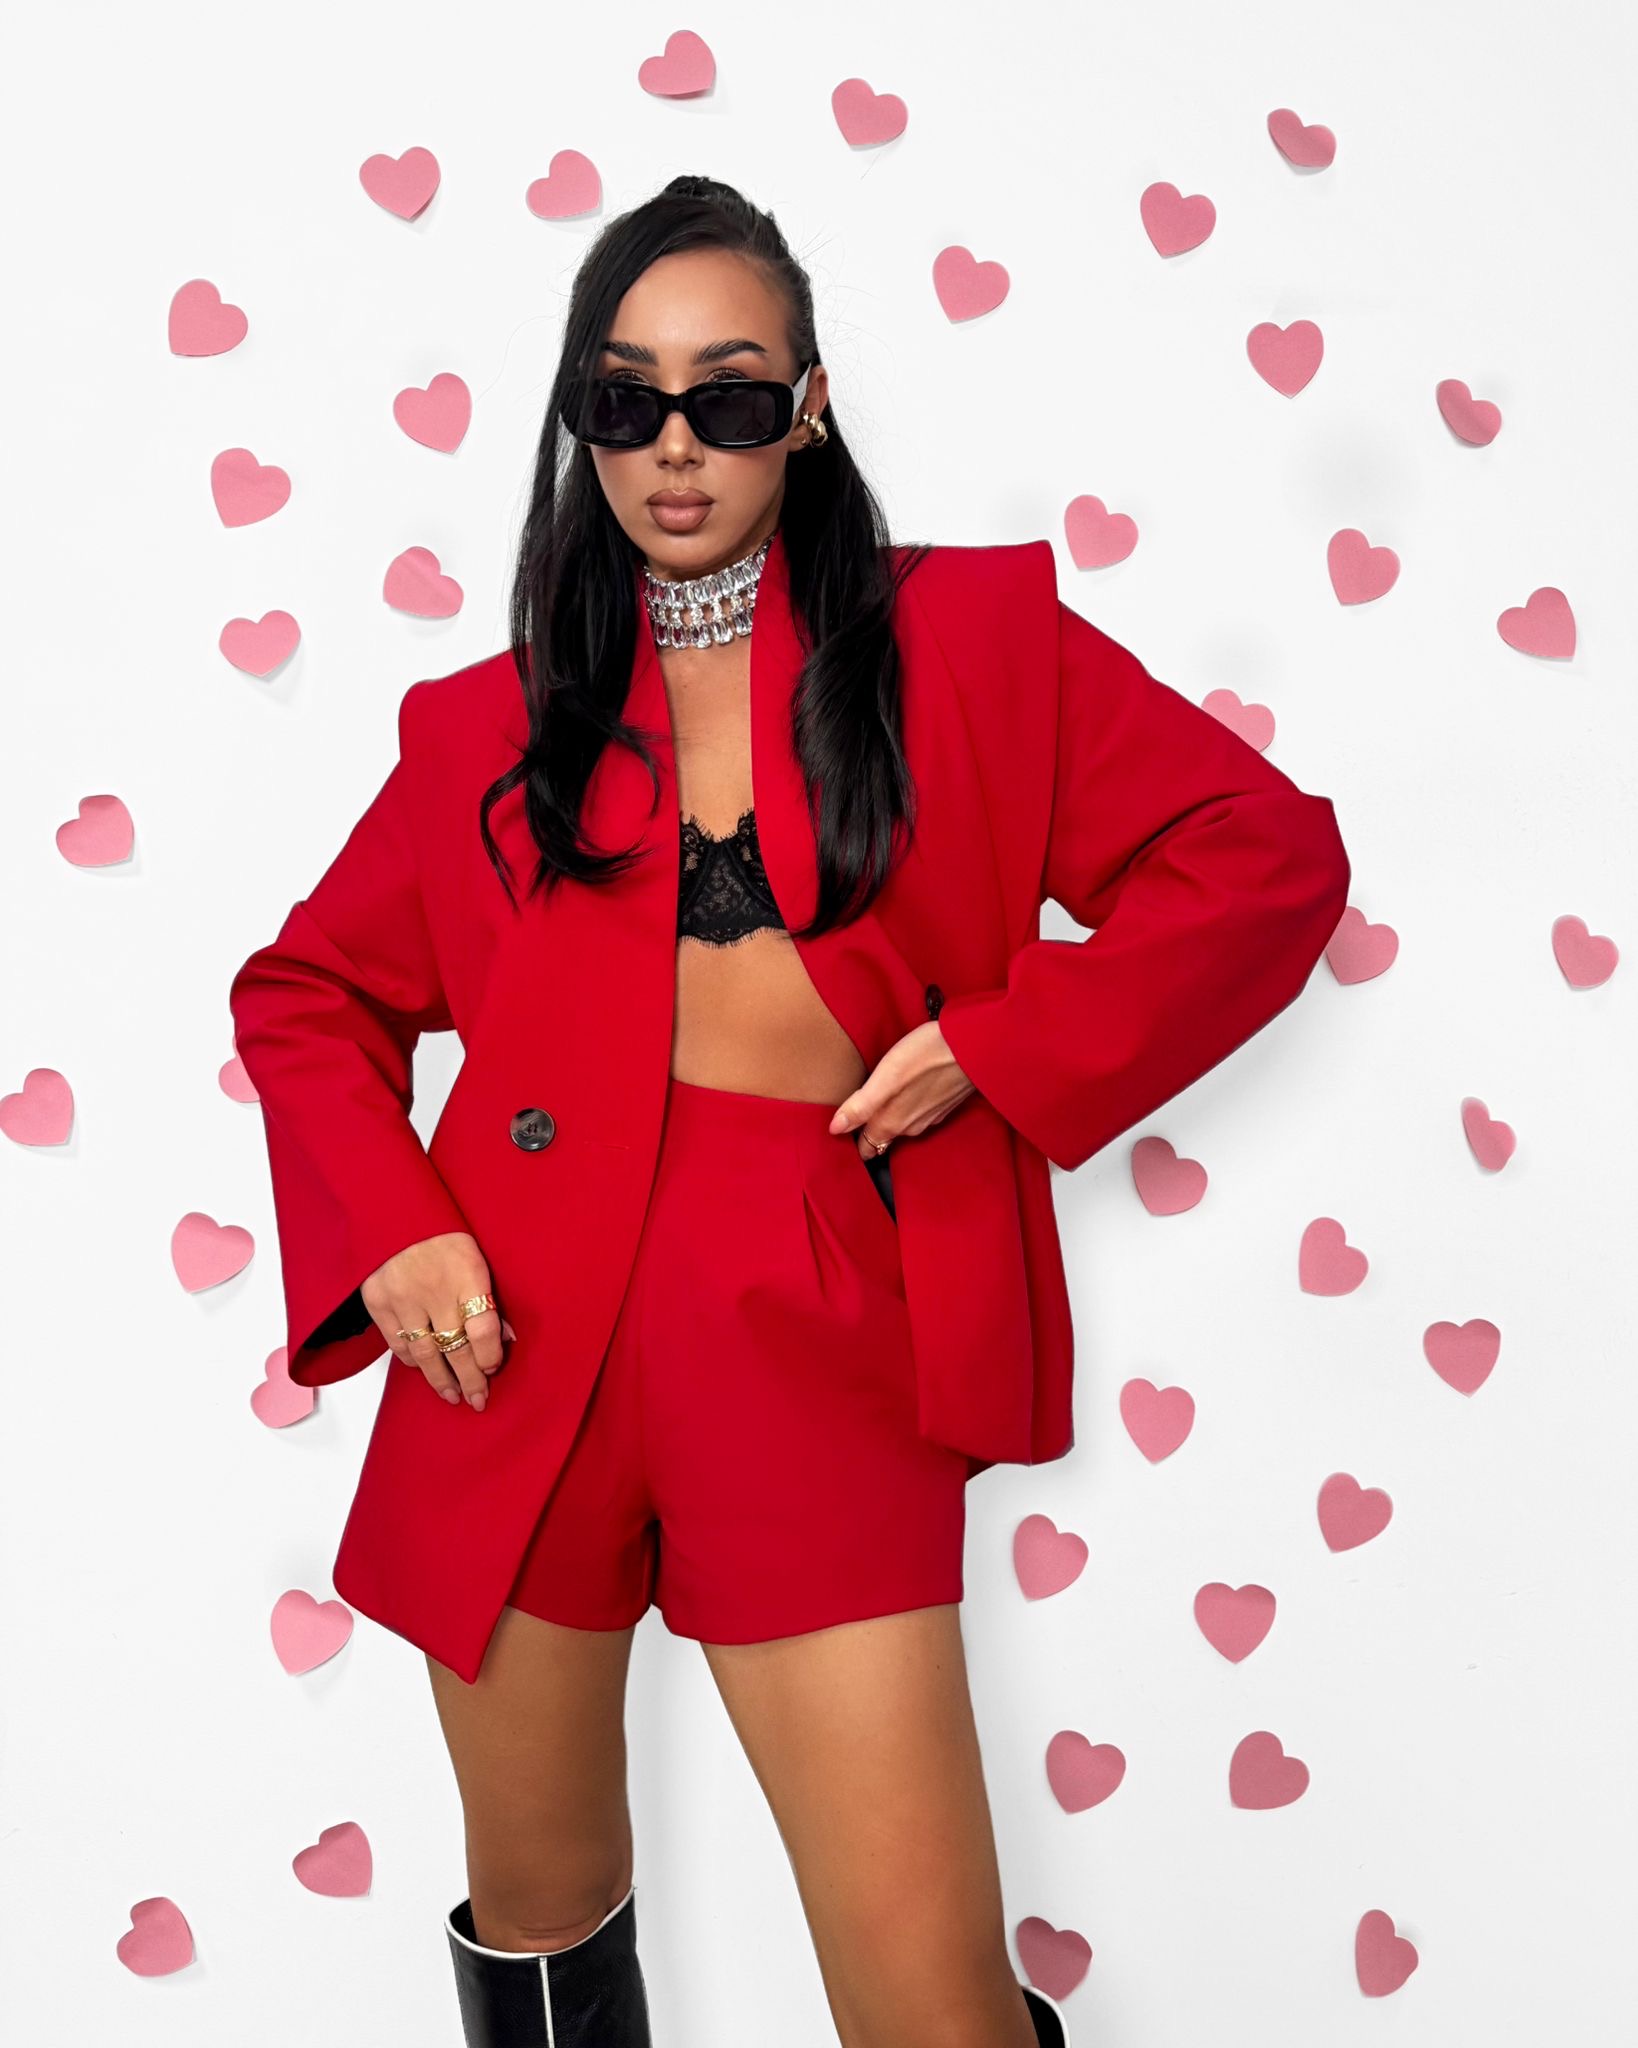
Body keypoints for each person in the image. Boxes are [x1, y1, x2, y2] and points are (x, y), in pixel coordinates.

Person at [228, 174, 1351, 2048]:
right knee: (540, 1918)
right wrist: (401, 1228)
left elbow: (1265, 857)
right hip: (514, 1345)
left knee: (929, 2003)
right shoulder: (481, 726)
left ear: (807, 409)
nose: (675, 446)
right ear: (580, 416)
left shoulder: (970, 645)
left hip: (811, 1318)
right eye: (627, 398)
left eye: (729, 396)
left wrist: (1006, 1041)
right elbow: (305, 995)